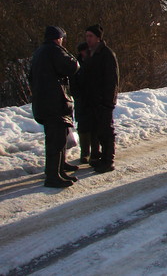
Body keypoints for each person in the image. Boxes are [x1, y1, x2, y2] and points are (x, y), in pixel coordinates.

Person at [30, 26, 80, 188]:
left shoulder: (39, 52)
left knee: (55, 138)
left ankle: (57, 170)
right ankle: (53, 176)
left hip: (43, 102)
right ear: (58, 38)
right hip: (55, 103)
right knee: (56, 140)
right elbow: (73, 66)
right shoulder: (55, 51)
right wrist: (68, 54)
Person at [80, 24, 119, 173]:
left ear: (98, 38)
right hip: (93, 100)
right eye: (86, 36)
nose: (88, 39)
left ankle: (109, 161)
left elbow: (112, 79)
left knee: (106, 131)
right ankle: (102, 158)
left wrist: (109, 101)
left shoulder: (106, 54)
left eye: (90, 36)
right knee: (97, 131)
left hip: (104, 100)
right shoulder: (90, 54)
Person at [71, 42, 100, 164]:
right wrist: (78, 96)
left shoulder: (95, 62)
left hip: (93, 100)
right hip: (82, 101)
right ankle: (84, 153)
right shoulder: (75, 65)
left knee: (95, 128)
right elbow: (72, 83)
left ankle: (95, 153)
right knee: (83, 128)